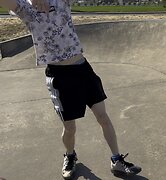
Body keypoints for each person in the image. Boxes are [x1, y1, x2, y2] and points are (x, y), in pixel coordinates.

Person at [0, 0, 141, 179]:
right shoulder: (26, 8)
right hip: (59, 76)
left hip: (82, 68)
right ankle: (70, 155)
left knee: (103, 117)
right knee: (70, 127)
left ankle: (116, 160)